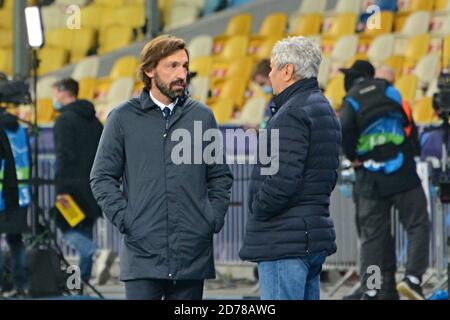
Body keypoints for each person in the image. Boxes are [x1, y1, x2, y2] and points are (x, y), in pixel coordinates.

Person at [90, 35, 234, 300]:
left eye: (184, 66)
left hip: (192, 255)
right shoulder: (122, 118)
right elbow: (101, 177)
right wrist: (126, 220)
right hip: (142, 256)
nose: (181, 74)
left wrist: (211, 219)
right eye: (172, 66)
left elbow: (219, 176)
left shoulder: (202, 116)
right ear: (149, 70)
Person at [239, 36, 342, 300]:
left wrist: (258, 208)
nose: (270, 74)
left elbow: (282, 179)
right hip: (308, 236)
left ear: (288, 70)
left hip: (284, 240)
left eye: (273, 68)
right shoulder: (323, 108)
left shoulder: (292, 113)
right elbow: (327, 175)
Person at [339, 60, 430, 300]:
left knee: (372, 237)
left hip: (370, 176)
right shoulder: (390, 91)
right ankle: (413, 279)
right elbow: (409, 125)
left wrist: (354, 156)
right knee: (418, 224)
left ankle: (370, 289)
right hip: (402, 170)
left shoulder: (351, 99)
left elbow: (345, 129)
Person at [52, 78, 115, 289]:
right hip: (93, 186)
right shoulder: (94, 121)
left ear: (63, 92)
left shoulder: (63, 121)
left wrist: (60, 189)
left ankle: (97, 253)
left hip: (70, 187)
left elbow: (64, 156)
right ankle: (79, 285)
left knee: (64, 226)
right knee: (84, 232)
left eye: (56, 93)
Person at [0, 108, 30, 298]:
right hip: (19, 192)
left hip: (4, 194)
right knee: (15, 241)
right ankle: (21, 285)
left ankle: (4, 285)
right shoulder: (20, 129)